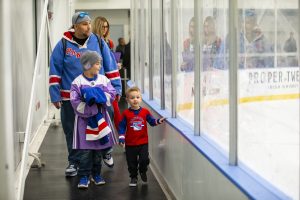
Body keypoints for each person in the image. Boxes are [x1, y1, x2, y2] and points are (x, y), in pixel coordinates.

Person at [49, 12, 121, 176]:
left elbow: (111, 67)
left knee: (104, 125)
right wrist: (55, 94)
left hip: (99, 96)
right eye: (84, 23)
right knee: (72, 131)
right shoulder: (63, 45)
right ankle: (74, 162)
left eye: (89, 23)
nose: (89, 26)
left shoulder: (99, 42)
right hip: (71, 98)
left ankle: (106, 151)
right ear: (75, 26)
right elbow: (55, 71)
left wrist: (116, 88)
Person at [70, 50, 116, 188]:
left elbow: (111, 94)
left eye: (100, 63)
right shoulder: (77, 82)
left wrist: (98, 96)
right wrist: (92, 108)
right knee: (85, 151)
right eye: (97, 63)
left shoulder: (103, 79)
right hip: (84, 123)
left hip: (101, 121)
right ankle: (84, 176)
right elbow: (75, 101)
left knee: (97, 150)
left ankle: (96, 174)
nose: (100, 66)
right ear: (87, 65)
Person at [118, 86, 166, 187]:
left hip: (143, 142)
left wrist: (158, 121)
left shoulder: (145, 112)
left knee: (144, 160)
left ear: (141, 98)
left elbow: (152, 122)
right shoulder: (126, 113)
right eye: (132, 98)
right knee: (131, 162)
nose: (135, 99)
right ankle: (133, 177)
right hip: (130, 143)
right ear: (127, 100)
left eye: (137, 97)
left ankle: (143, 171)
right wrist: (121, 137)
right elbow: (121, 126)